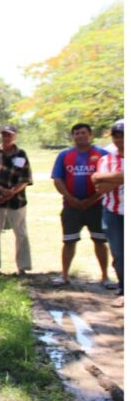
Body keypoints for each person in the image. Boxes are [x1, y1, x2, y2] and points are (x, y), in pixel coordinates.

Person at [50, 123, 111, 287]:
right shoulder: (64, 155)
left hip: (96, 206)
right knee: (69, 241)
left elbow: (107, 181)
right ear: (73, 136)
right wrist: (70, 198)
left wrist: (92, 199)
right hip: (71, 207)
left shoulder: (102, 155)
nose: (80, 136)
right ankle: (64, 276)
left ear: (90, 135)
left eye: (83, 133)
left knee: (99, 241)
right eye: (76, 133)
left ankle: (105, 277)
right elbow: (57, 179)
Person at [0, 125, 33, 278]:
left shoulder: (21, 154)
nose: (6, 137)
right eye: (3, 134)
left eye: (9, 135)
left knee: (21, 232)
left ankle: (22, 267)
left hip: (17, 199)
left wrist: (11, 192)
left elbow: (26, 178)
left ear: (14, 136)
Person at [93, 119, 124, 301]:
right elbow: (101, 188)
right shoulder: (106, 159)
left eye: (123, 136)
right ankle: (123, 289)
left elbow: (100, 179)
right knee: (119, 253)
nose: (119, 140)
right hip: (113, 212)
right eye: (116, 136)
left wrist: (103, 176)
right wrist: (120, 177)